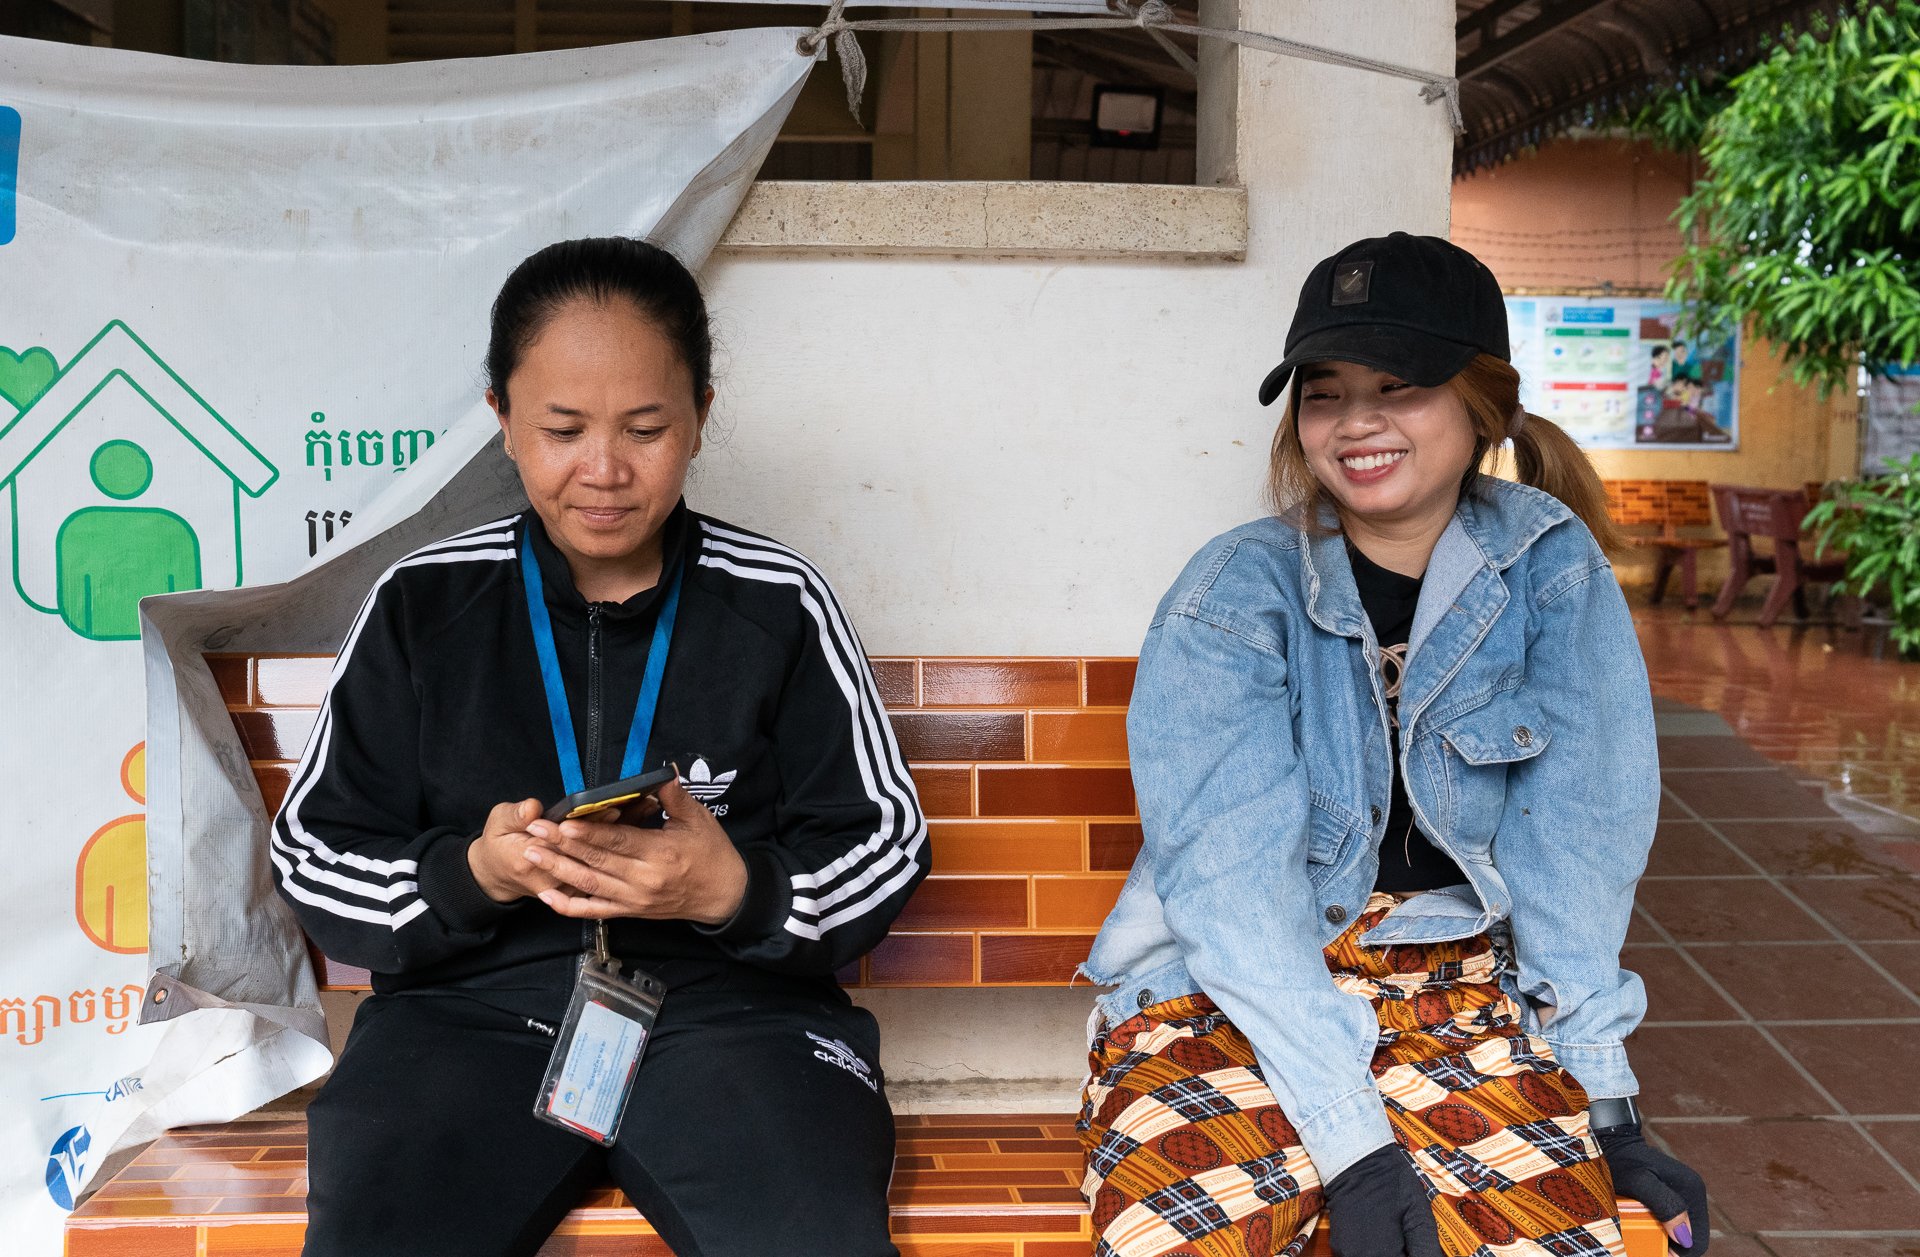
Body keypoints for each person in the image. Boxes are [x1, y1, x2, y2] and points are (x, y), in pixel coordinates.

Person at [272, 237, 928, 1257]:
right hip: (465, 1020)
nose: (605, 471)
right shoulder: (423, 602)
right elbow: (315, 847)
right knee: (380, 1228)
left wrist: (732, 892)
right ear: (501, 420)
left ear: (703, 415)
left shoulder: (777, 603)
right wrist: (469, 876)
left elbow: (881, 842)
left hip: (735, 1021)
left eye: (648, 427)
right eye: (563, 428)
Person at [1077, 234, 1708, 1257]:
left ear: (1480, 404)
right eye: (1325, 394)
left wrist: (1605, 1099)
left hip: (1463, 990)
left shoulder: (1553, 573)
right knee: (1179, 1240)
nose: (1356, 422)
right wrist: (1357, 1149)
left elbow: (1579, 851)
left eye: (1398, 385)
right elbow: (1230, 895)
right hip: (1227, 990)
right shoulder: (1233, 594)